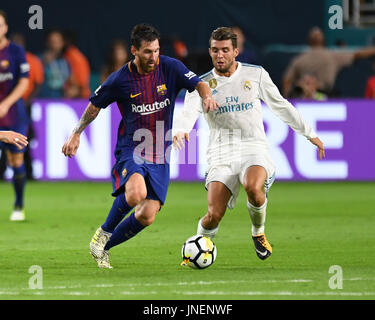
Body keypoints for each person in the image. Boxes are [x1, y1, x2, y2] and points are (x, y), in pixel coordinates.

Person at [62, 23, 218, 268]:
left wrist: (207, 96)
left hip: (160, 153)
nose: (153, 56)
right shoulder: (120, 80)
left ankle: (102, 247)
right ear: (133, 50)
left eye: (156, 50)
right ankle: (104, 231)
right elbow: (94, 106)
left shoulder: (170, 67)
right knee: (136, 194)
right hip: (132, 149)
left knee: (146, 216)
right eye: (147, 52)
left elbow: (199, 83)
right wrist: (76, 133)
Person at [172, 27, 325, 260]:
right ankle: (196, 252)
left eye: (225, 50)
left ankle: (258, 232)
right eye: (215, 50)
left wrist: (309, 132)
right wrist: (181, 130)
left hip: (253, 146)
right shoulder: (202, 84)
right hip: (221, 152)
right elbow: (188, 112)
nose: (219, 55)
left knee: (253, 187)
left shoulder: (256, 75)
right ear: (210, 52)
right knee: (214, 214)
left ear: (236, 51)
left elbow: (280, 105)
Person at [283, 26, 375, 97]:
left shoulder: (331, 55)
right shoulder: (301, 59)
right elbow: (287, 80)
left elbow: (286, 79)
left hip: (323, 95)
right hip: (305, 95)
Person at [0, 10, 30, 221]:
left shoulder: (16, 51)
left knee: (15, 158)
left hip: (13, 115)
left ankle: (19, 205)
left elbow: (24, 81)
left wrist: (6, 103)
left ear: (5, 27)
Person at [10, 32, 44, 180]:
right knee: (5, 138)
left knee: (25, 138)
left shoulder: (32, 60)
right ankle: (3, 170)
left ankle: (29, 172)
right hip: (7, 106)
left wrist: (26, 101)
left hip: (24, 104)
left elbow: (37, 83)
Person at [39, 29, 70, 98]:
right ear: (47, 43)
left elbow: (70, 82)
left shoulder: (65, 62)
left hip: (60, 101)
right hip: (42, 100)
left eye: (57, 42)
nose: (54, 45)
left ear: (62, 43)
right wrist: (43, 64)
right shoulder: (38, 60)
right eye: (52, 42)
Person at [63, 30, 91, 99]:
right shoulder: (66, 55)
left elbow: (82, 81)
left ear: (66, 41)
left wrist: (76, 89)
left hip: (79, 96)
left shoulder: (74, 56)